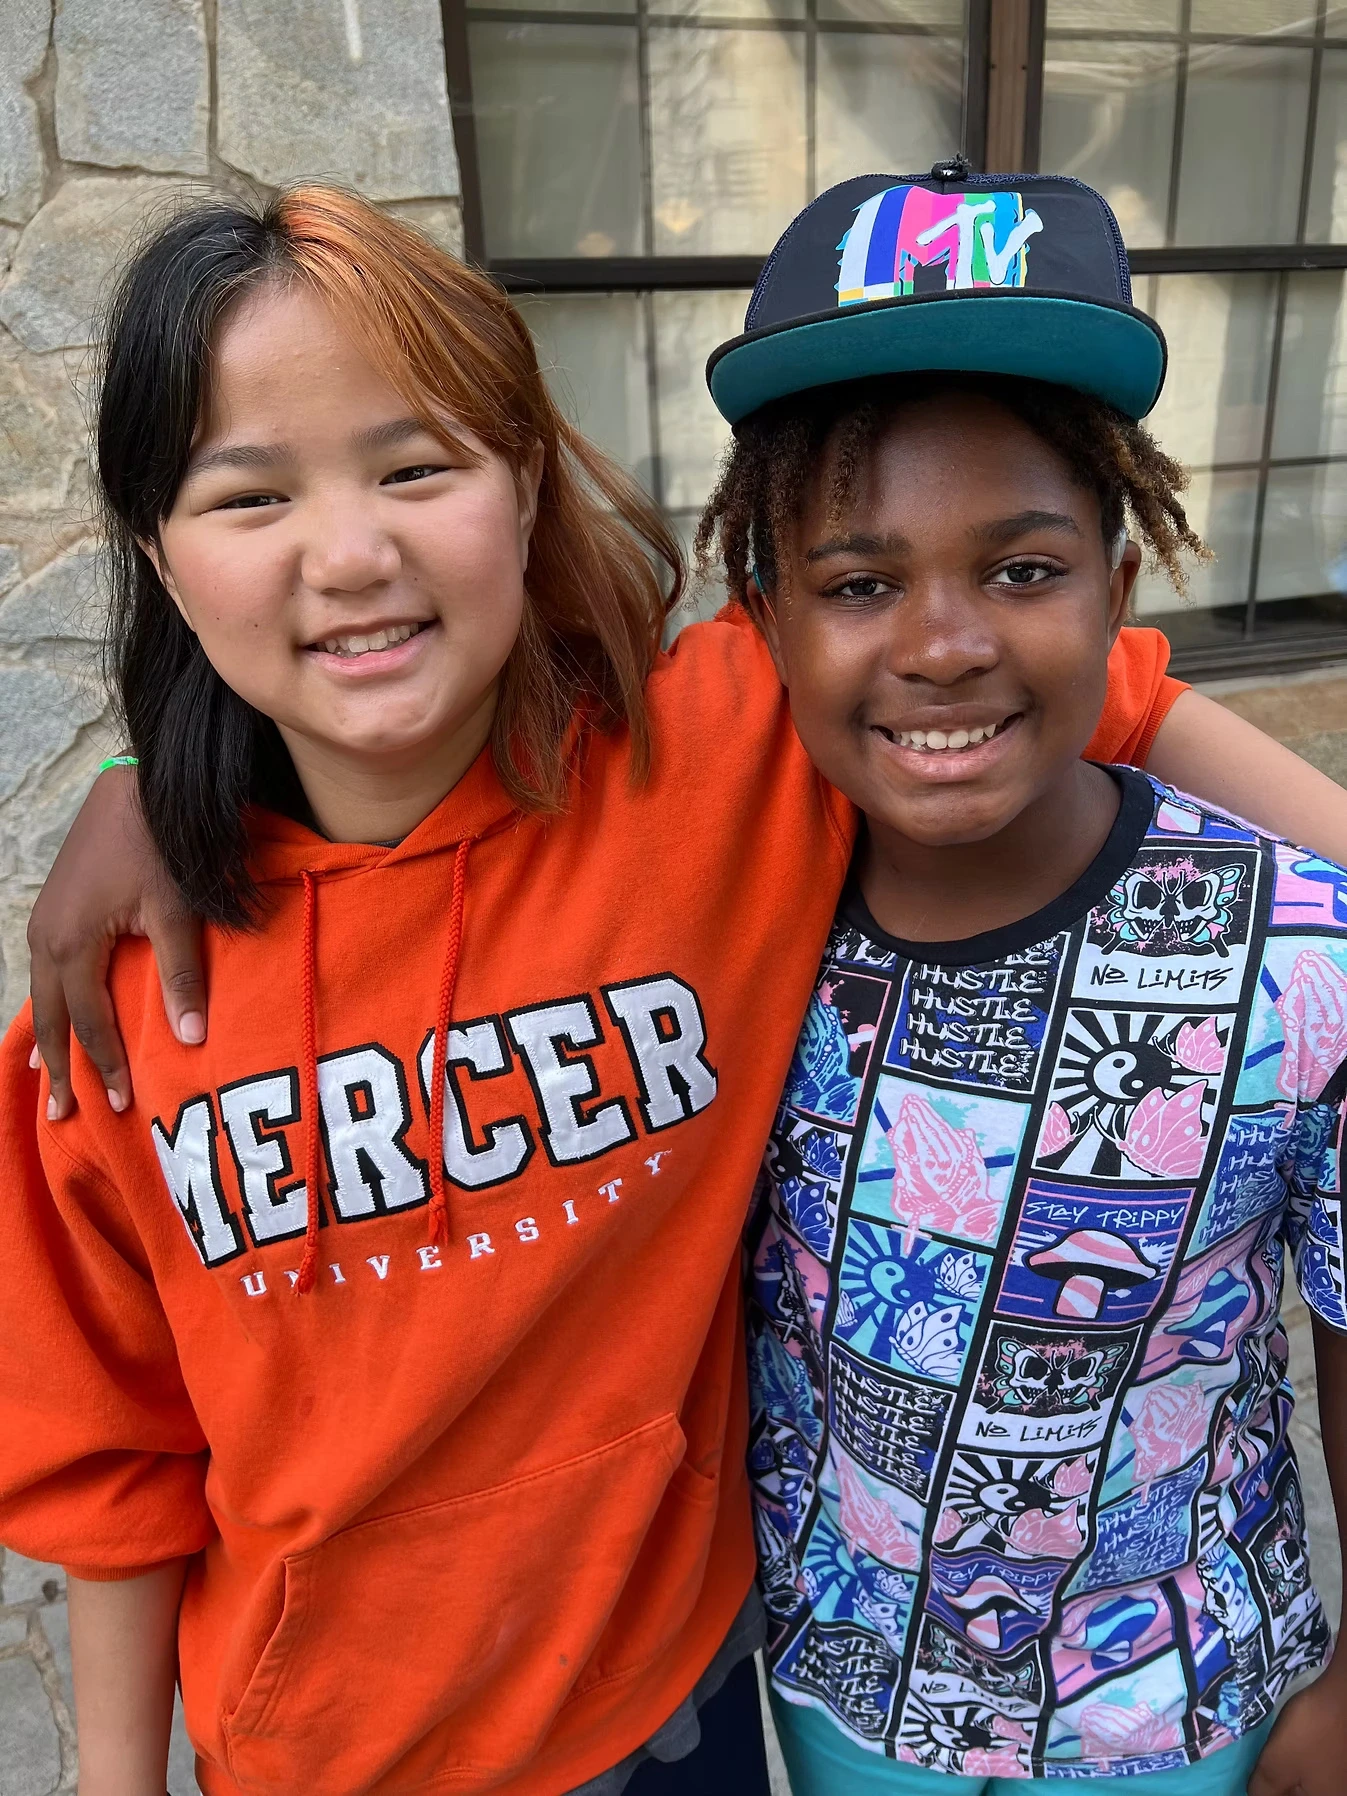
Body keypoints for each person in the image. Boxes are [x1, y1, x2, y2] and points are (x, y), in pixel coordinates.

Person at [4, 174, 1343, 1796]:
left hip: (675, 1714)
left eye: (415, 468)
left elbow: (1088, 684)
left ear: (522, 481)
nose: (349, 554)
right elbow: (112, 1448)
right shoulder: (124, 991)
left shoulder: (714, 758)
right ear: (157, 542)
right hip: (320, 1754)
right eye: (246, 496)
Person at [694, 168, 1347, 1795]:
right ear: (761, 626)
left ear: (1118, 598)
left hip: (1193, 1708)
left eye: (1022, 569)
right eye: (856, 584)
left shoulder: (1304, 964)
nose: (941, 642)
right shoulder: (714, 930)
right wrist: (151, 770)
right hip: (845, 1706)